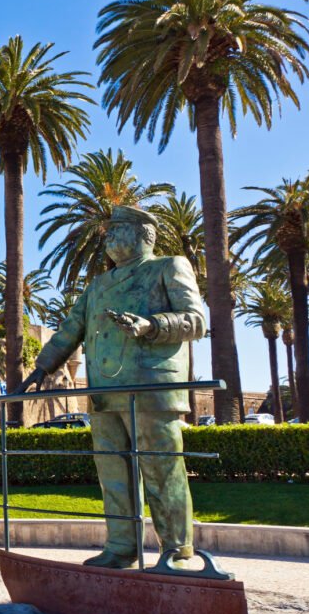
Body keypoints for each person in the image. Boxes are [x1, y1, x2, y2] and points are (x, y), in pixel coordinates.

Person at [18, 206, 206, 568]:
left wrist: (151, 326)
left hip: (151, 388)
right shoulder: (98, 285)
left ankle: (177, 552)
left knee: (162, 471)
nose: (109, 237)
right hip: (105, 392)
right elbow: (71, 329)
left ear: (144, 234)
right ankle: (121, 547)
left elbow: (196, 321)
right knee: (112, 475)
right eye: (110, 231)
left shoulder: (168, 266)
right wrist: (43, 366)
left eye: (118, 229)